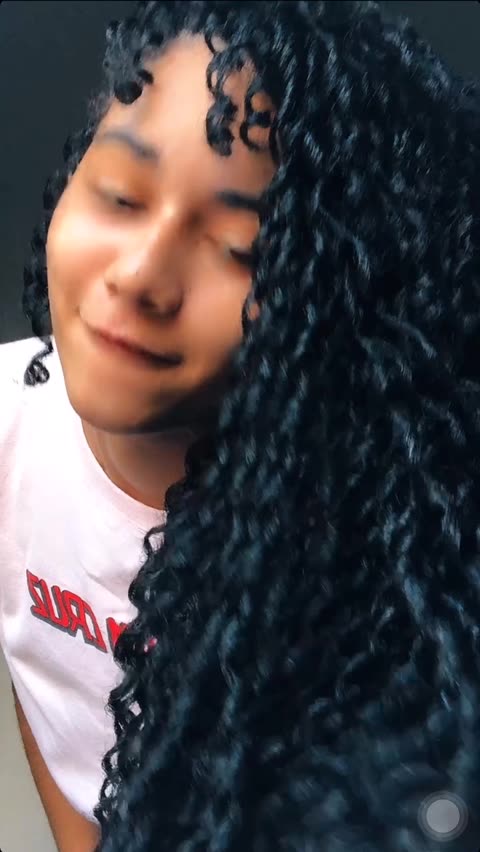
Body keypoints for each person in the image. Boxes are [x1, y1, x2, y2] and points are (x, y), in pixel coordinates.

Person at [1, 0, 480, 849]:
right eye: (121, 194)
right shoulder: (11, 422)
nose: (141, 276)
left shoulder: (375, 549)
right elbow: (46, 682)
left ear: (341, 299)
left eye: (241, 250)